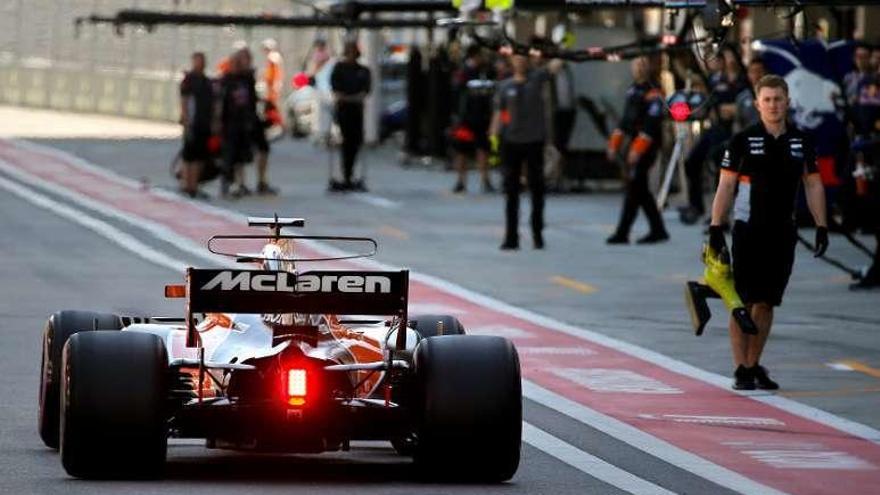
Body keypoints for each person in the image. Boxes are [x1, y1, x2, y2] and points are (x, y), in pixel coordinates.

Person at [708, 75, 829, 390]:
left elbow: (813, 184)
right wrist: (716, 227)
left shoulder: (801, 142)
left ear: (788, 102)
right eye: (768, 100)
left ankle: (753, 363)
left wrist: (821, 225)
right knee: (744, 301)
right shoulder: (743, 140)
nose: (774, 105)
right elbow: (726, 184)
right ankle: (741, 368)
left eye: (779, 99)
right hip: (749, 230)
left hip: (783, 231)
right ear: (758, 103)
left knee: (767, 302)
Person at [680, 48, 750, 225]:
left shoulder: (745, 81)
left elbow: (746, 104)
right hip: (716, 128)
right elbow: (701, 89)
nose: (728, 60)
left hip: (735, 130)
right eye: (725, 57)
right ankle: (696, 205)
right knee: (692, 161)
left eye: (730, 56)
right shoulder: (715, 79)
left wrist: (734, 109)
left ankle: (721, 214)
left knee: (722, 169)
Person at [606, 57, 669, 245]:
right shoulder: (632, 89)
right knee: (640, 189)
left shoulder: (654, 90)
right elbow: (626, 120)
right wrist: (614, 143)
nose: (639, 68)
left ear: (648, 67)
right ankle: (658, 230)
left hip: (647, 145)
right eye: (636, 65)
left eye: (643, 64)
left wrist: (637, 149)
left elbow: (651, 124)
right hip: (633, 142)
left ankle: (623, 232)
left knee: (635, 187)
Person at [490, 53, 550, 250]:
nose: (520, 62)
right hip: (511, 141)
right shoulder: (505, 86)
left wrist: (552, 49)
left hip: (534, 140)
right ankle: (511, 236)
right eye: (517, 59)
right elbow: (499, 113)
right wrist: (493, 137)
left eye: (524, 59)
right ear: (512, 62)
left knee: (537, 189)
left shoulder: (537, 78)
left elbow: (557, 64)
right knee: (511, 192)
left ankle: (537, 233)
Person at [451, 45, 496, 193]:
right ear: (474, 56)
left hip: (483, 118)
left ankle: (485, 180)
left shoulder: (487, 71)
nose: (483, 58)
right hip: (466, 120)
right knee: (462, 150)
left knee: (483, 149)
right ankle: (460, 181)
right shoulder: (464, 72)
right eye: (481, 55)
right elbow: (456, 93)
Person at [218, 48, 259, 198]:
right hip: (229, 123)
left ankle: (241, 183)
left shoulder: (247, 79)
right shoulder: (226, 80)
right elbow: (219, 103)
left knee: (243, 155)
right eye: (235, 62)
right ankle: (227, 183)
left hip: (244, 122)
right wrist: (217, 121)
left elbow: (252, 101)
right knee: (229, 155)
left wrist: (251, 119)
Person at [330, 41, 371, 191]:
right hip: (344, 111)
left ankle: (351, 173)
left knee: (356, 141)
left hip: (356, 111)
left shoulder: (363, 70)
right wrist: (348, 98)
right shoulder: (339, 69)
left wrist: (352, 98)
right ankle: (346, 174)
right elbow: (337, 91)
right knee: (347, 142)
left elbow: (365, 91)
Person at [179, 52, 213, 199]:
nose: (202, 63)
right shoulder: (189, 79)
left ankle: (195, 185)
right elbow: (184, 101)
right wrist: (186, 121)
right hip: (192, 122)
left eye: (203, 61)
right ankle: (187, 185)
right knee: (189, 155)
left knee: (200, 156)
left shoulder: (206, 81)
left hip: (204, 122)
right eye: (199, 61)